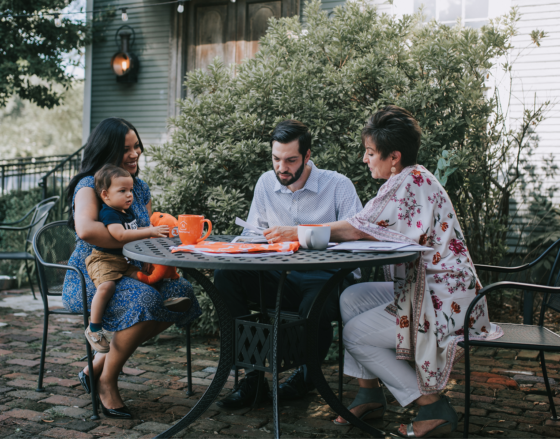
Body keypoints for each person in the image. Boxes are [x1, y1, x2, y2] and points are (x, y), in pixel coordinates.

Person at [277, 106, 502, 437]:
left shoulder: (409, 183)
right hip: (437, 290)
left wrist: (297, 232)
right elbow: (367, 227)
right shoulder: (410, 179)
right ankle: (370, 393)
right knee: (351, 297)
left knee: (354, 334)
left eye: (370, 153)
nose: (365, 159)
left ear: (393, 157)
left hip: (443, 304)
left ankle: (432, 407)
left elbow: (356, 228)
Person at [215, 119, 363, 408]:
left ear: (307, 157)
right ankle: (253, 377)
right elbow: (251, 233)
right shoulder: (265, 183)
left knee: (314, 303)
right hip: (281, 275)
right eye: (276, 159)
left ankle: (307, 377)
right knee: (225, 275)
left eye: (291, 160)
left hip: (328, 276)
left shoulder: (338, 185)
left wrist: (301, 234)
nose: (282, 167)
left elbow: (356, 232)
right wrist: (252, 243)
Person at [62, 118, 202, 419]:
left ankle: (98, 365)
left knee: (183, 293)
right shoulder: (89, 185)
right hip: (95, 274)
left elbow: (148, 227)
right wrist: (135, 236)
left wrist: (167, 235)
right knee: (146, 300)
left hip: (135, 268)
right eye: (126, 149)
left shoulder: (139, 187)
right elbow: (86, 231)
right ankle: (107, 381)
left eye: (136, 146)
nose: (134, 153)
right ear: (108, 151)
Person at [83, 164, 192, 354]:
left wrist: (152, 233)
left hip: (124, 262)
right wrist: (150, 231)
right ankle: (94, 328)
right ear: (105, 195)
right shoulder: (108, 213)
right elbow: (121, 236)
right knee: (106, 287)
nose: (129, 195)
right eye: (122, 190)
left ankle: (162, 303)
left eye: (131, 190)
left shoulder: (127, 211)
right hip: (104, 261)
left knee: (146, 278)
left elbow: (134, 230)